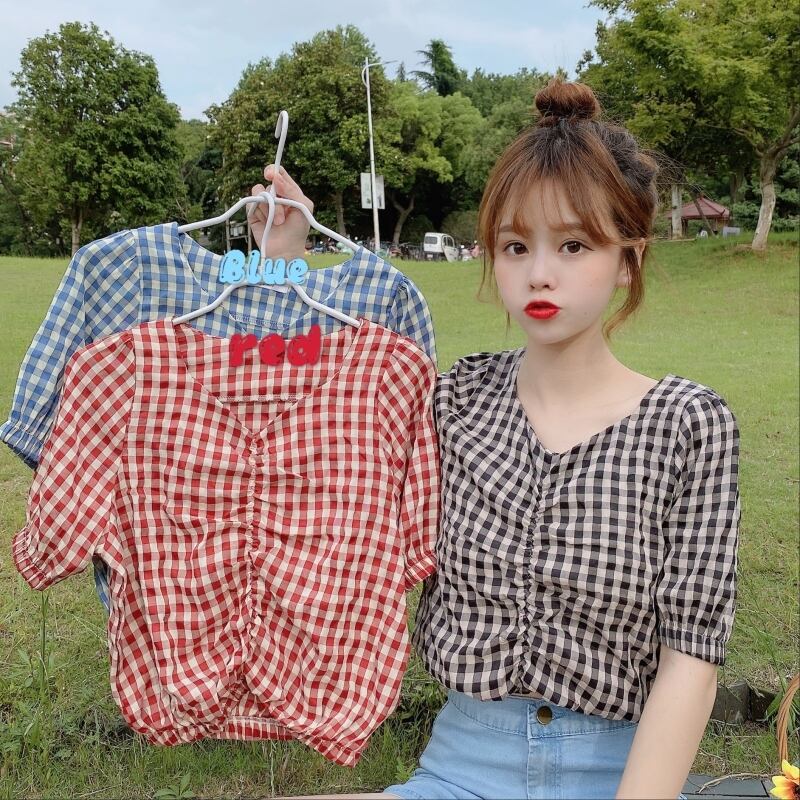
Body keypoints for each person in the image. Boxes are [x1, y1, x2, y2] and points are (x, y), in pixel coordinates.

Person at [249, 79, 740, 800]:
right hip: (459, 771)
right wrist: (284, 262)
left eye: (573, 244)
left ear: (628, 260)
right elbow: (303, 431)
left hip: (624, 776)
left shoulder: (690, 426)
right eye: (515, 246)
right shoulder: (453, 399)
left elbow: (691, 655)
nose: (539, 274)